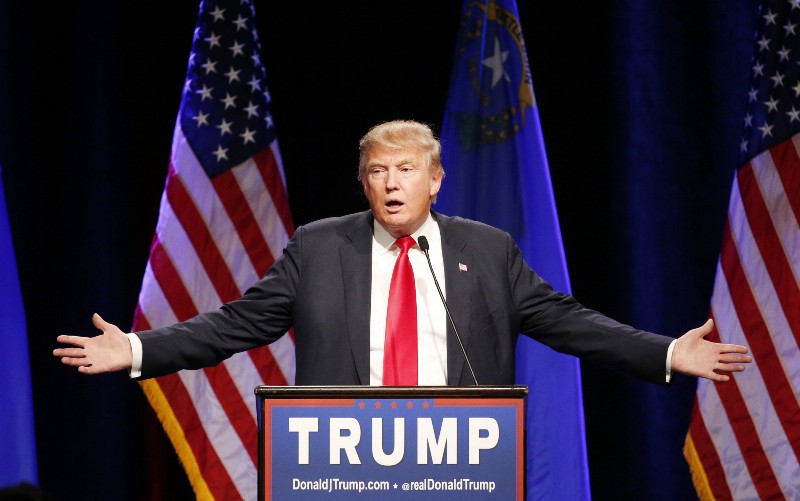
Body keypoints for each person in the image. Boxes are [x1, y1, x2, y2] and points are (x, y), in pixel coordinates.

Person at [54, 119, 751, 385]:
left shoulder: (487, 251)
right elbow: (233, 324)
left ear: (434, 178)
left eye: (406, 169)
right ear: (364, 182)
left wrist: (666, 351)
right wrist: (139, 349)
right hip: (343, 470)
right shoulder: (318, 248)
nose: (391, 183)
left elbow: (571, 323)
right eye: (378, 171)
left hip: (460, 466)